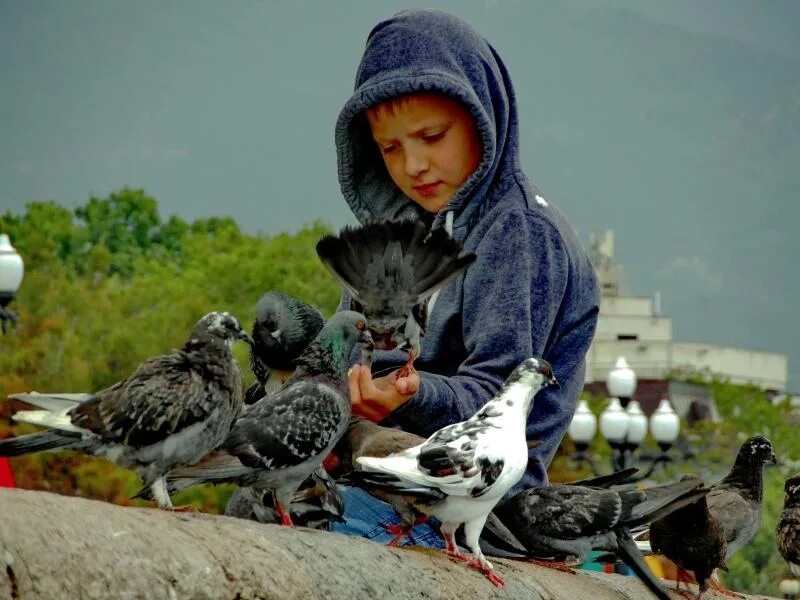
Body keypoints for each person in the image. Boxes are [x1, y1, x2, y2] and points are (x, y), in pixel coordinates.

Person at [331, 9, 600, 545]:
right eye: (390, 148)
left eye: (432, 136)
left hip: (475, 510)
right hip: (378, 476)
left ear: (484, 116)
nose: (414, 166)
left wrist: (406, 393)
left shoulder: (518, 234)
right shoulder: (396, 234)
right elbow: (349, 346)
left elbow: (498, 402)